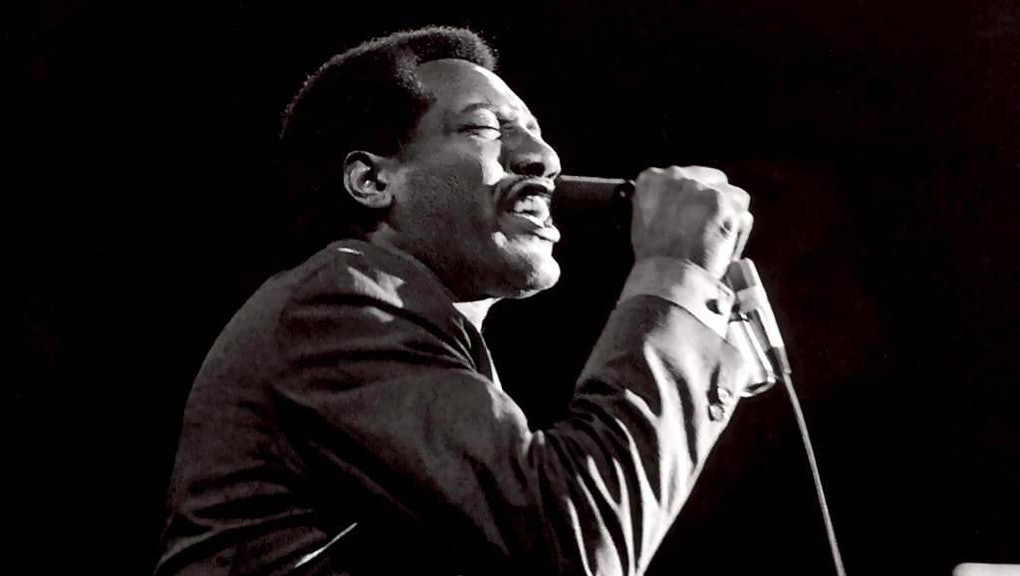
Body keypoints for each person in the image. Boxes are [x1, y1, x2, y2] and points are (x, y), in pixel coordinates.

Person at [155, 26, 759, 576]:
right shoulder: (335, 304)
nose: (545, 159)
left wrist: (711, 332)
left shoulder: (409, 336)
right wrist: (676, 279)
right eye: (485, 128)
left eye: (537, 132)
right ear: (373, 180)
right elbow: (572, 542)